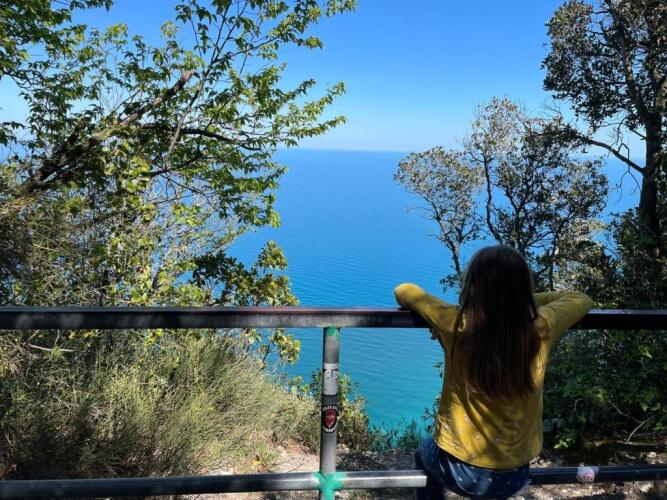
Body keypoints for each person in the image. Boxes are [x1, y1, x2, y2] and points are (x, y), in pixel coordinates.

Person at [394, 245, 593, 499]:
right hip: (515, 474)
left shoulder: (454, 322)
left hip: (459, 471)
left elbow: (404, 291)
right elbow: (580, 299)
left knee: (423, 452)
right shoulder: (541, 326)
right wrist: (520, 300)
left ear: (472, 287)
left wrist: (436, 320)